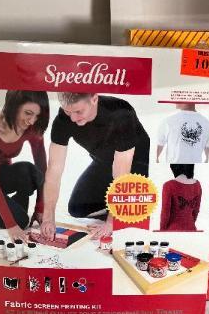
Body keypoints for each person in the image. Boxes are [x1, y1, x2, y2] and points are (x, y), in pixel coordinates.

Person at [41, 92, 150, 240]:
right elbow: (54, 170)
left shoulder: (121, 113)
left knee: (129, 217)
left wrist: (111, 222)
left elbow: (122, 172)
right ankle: (117, 207)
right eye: (68, 111)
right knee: (77, 209)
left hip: (135, 165)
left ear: (94, 99)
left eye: (78, 111)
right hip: (103, 162)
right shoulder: (63, 119)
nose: (73, 118)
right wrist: (48, 218)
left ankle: (126, 210)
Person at [0, 90, 49, 242]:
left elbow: (41, 168)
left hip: (2, 176)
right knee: (20, 221)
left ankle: (5, 207)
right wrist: (11, 225)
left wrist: (40, 207)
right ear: (13, 106)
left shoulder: (32, 126)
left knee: (30, 172)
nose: (32, 121)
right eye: (28, 113)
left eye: (37, 115)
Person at [160, 164, 202, 231]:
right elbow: (196, 211)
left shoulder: (169, 185)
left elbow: (165, 213)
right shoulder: (197, 184)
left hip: (173, 230)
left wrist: (162, 230)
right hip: (191, 228)